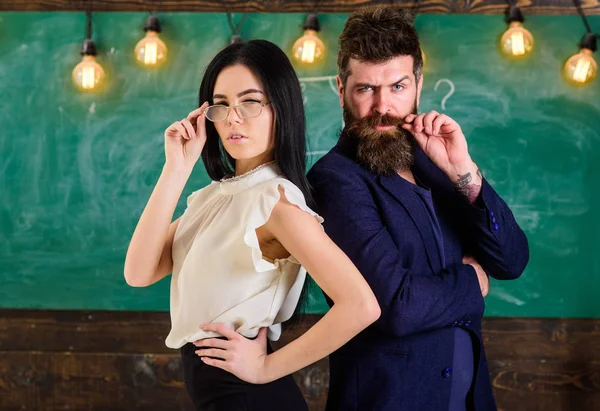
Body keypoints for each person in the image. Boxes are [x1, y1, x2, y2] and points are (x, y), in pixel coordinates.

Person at [124, 39, 380, 411]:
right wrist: (176, 168)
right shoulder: (216, 196)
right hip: (219, 392)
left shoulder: (276, 202)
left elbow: (361, 305)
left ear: (281, 108)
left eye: (250, 102)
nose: (232, 118)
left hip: (247, 395)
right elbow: (139, 272)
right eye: (221, 104)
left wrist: (264, 368)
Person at [307, 7, 529, 411]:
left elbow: (511, 261)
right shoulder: (334, 179)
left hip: (467, 397)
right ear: (341, 89)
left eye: (397, 86)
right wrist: (470, 279)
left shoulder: (435, 159)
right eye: (365, 89)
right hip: (388, 401)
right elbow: (398, 308)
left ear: (417, 85)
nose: (382, 106)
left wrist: (463, 171)